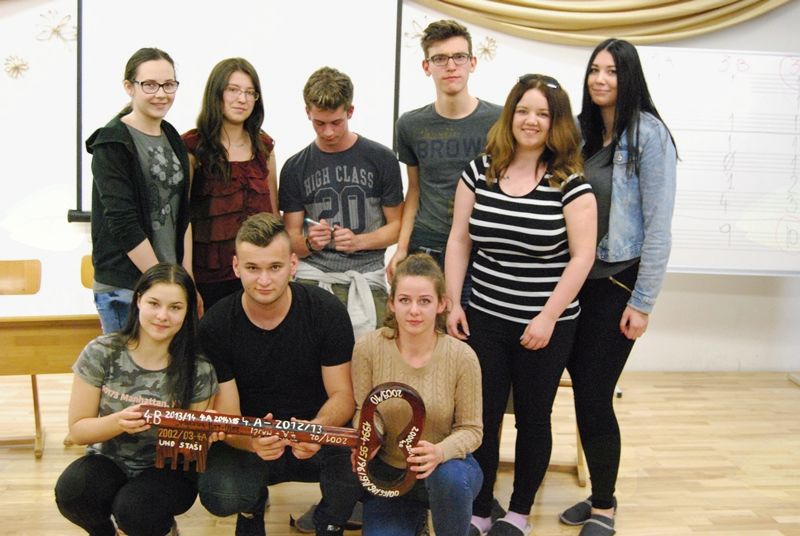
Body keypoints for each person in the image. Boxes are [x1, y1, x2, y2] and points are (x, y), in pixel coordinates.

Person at [445, 74, 597, 536]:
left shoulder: (570, 184)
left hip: (545, 325)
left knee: (533, 418)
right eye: (524, 110)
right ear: (510, 115)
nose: (531, 121)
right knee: (483, 417)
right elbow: (459, 239)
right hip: (485, 317)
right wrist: (454, 302)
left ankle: (519, 512)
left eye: (543, 114)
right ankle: (480, 507)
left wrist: (548, 317)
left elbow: (582, 257)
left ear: (557, 123)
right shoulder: (480, 170)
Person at [559, 39, 677, 536]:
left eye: (612, 71)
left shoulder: (649, 135)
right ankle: (597, 494)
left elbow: (659, 227)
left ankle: (604, 504)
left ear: (629, 78)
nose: (601, 79)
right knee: (580, 390)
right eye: (595, 70)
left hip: (618, 281)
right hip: (573, 281)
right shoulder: (581, 133)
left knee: (594, 393)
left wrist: (643, 302)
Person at [196, 212, 363, 536]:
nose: (264, 280)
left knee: (363, 461)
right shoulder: (215, 325)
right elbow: (228, 417)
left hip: (313, 435)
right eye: (252, 268)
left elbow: (343, 396)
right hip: (252, 438)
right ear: (236, 267)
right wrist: (252, 442)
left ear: (293, 264)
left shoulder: (326, 311)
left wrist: (316, 429)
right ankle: (251, 509)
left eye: (274, 267)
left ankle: (329, 520)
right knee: (221, 492)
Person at [54, 263, 218, 536]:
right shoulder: (102, 352)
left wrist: (202, 434)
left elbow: (189, 453)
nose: (162, 316)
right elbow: (78, 431)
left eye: (175, 307)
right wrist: (119, 422)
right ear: (138, 300)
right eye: (154, 303)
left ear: (188, 311)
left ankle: (162, 528)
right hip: (109, 459)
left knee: (135, 509)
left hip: (168, 469)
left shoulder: (199, 368)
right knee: (74, 492)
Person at [352, 253, 483, 536]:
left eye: (424, 301)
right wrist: (370, 437)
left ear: (441, 304)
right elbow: (363, 411)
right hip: (390, 474)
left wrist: (439, 452)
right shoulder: (367, 348)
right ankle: (416, 521)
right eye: (404, 300)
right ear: (391, 303)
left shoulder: (462, 356)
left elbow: (472, 430)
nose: (414, 311)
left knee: (449, 478)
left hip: (448, 469)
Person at [279, 66, 403, 340]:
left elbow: (398, 227)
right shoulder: (295, 167)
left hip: (367, 277)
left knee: (372, 355)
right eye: (319, 123)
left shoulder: (381, 159)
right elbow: (290, 239)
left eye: (336, 122)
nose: (328, 132)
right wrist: (311, 242)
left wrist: (359, 241)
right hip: (315, 276)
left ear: (350, 111)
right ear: (307, 112)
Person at [390, 19, 501, 306]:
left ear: (472, 63)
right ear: (426, 66)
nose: (450, 66)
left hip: (482, 249)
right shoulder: (410, 124)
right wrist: (402, 247)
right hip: (427, 246)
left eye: (459, 57)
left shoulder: (500, 121)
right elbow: (414, 190)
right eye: (440, 58)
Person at [87, 47, 193, 333]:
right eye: (150, 85)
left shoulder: (172, 136)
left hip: (169, 285)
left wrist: (186, 279)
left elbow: (183, 213)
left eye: (168, 84)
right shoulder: (112, 143)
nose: (161, 93)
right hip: (126, 288)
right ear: (129, 87)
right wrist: (160, 284)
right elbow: (123, 223)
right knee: (128, 364)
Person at [183, 57, 278, 310]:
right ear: (216, 93)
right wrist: (186, 277)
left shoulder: (264, 147)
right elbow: (182, 221)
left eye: (249, 92)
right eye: (233, 90)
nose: (242, 99)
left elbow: (273, 215)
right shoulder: (192, 147)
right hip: (208, 278)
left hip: (259, 278)